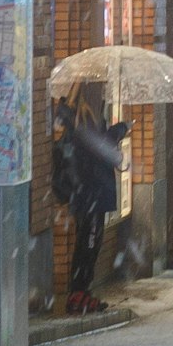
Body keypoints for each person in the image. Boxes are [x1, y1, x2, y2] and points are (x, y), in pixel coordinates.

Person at [53, 83, 123, 314]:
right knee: (89, 245)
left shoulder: (77, 122)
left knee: (87, 244)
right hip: (92, 194)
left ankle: (80, 291)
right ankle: (79, 292)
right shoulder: (82, 123)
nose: (104, 93)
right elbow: (99, 151)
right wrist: (117, 132)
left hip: (86, 194)